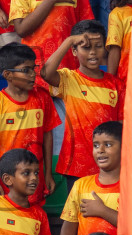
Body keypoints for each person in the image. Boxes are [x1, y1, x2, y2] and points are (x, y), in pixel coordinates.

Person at [42, 24, 123, 182]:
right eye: (85, 47)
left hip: (109, 163)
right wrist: (70, 40)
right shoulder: (69, 78)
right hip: (76, 164)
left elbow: (121, 125)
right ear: (73, 51)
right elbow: (46, 73)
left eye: (98, 46)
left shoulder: (116, 85)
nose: (92, 52)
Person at [0, 42, 60, 202]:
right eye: (26, 70)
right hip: (6, 180)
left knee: (33, 217)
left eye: (33, 68)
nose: (33, 74)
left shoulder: (43, 97)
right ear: (7, 74)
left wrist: (47, 174)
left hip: (35, 178)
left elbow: (48, 136)